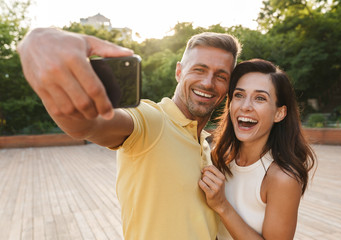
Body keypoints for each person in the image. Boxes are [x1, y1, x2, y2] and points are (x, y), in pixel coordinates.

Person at [17, 28, 241, 239]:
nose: (208, 82)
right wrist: (39, 40)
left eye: (221, 76)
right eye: (199, 70)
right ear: (179, 71)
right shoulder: (152, 120)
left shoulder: (204, 144)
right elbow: (87, 125)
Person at [199, 59, 316, 239]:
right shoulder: (220, 157)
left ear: (279, 113)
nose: (245, 106)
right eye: (239, 95)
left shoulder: (282, 178)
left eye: (260, 98)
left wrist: (222, 205)